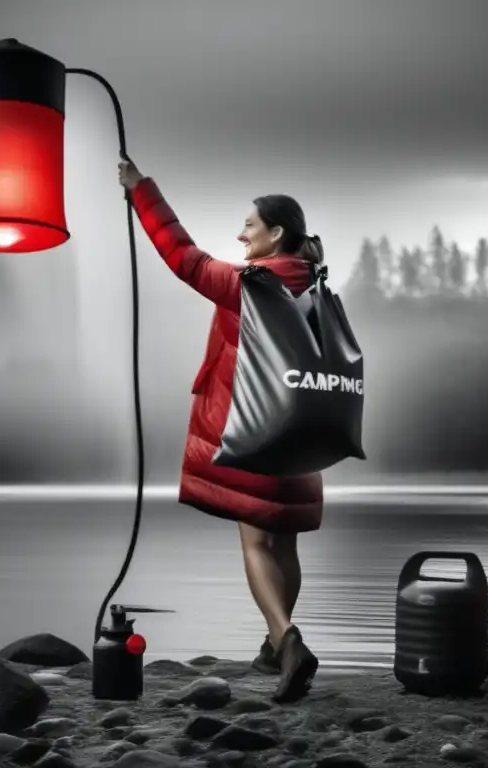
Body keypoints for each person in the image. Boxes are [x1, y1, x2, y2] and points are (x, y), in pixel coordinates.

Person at [118, 156, 323, 703]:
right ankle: (274, 648)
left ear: (275, 234)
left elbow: (183, 257)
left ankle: (288, 642)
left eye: (250, 226)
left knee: (256, 542)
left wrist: (142, 191)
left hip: (253, 434)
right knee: (286, 544)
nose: (240, 234)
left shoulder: (250, 284)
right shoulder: (315, 285)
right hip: (303, 435)